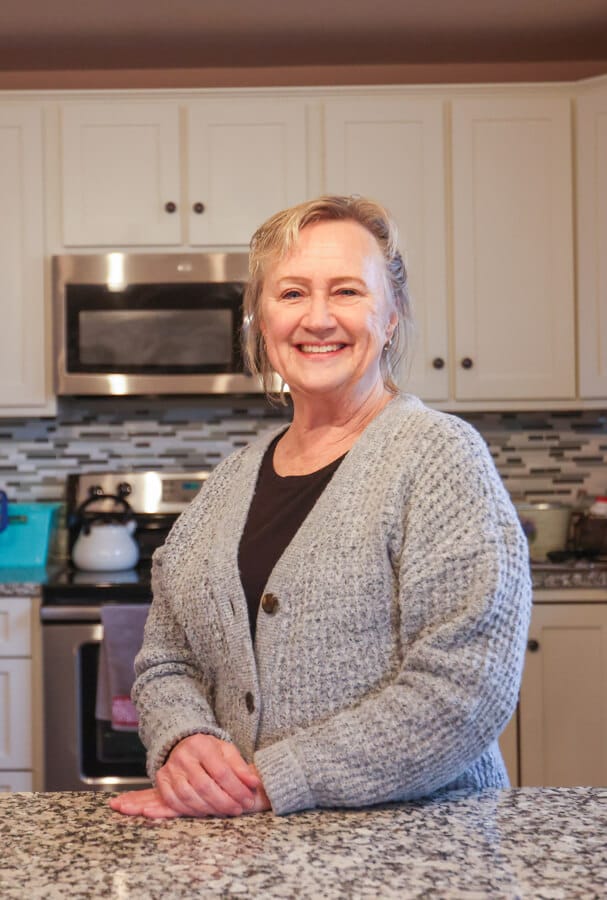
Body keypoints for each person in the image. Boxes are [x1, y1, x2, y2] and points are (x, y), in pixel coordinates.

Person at [110, 195, 532, 820]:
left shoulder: (440, 456)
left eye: (346, 292)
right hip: (249, 856)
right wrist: (185, 741)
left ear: (390, 316)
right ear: (260, 317)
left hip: (426, 855)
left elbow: (464, 690)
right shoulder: (229, 482)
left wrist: (268, 782)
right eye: (291, 294)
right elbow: (169, 658)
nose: (318, 318)